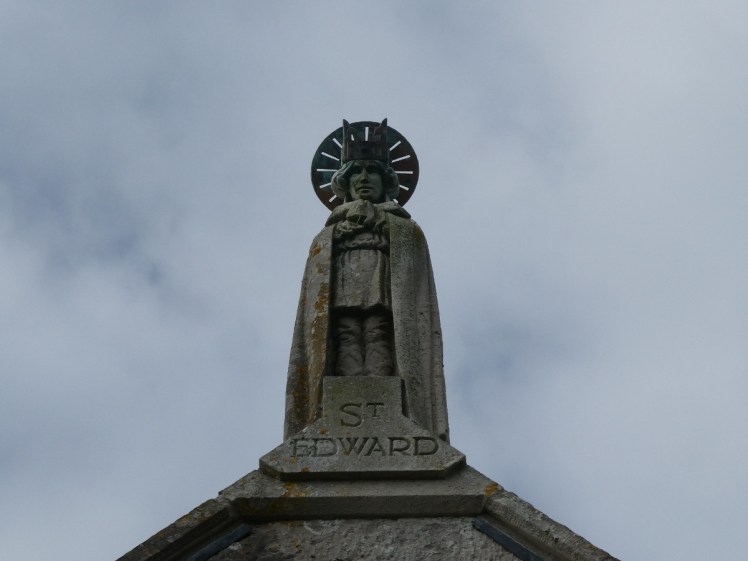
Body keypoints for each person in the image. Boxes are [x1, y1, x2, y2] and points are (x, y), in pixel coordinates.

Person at [284, 120, 450, 443]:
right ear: (344, 183)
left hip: (382, 283)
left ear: (384, 180)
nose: (363, 180)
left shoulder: (401, 222)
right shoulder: (330, 227)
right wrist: (334, 239)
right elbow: (318, 264)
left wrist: (386, 229)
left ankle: (381, 398)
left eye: (371, 172)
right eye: (356, 173)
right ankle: (345, 399)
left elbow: (411, 251)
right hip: (344, 282)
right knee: (345, 335)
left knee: (379, 332)